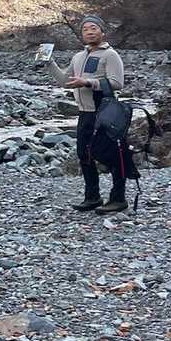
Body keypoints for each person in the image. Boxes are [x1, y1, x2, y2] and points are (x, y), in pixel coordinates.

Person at [45, 14, 127, 214]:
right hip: (85, 113)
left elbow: (117, 83)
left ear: (102, 32)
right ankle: (92, 197)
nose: (89, 32)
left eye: (93, 28)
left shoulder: (110, 55)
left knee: (113, 155)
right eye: (85, 29)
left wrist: (88, 82)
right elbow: (65, 82)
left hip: (105, 112)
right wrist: (49, 62)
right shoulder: (78, 57)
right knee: (84, 154)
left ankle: (118, 199)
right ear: (81, 34)